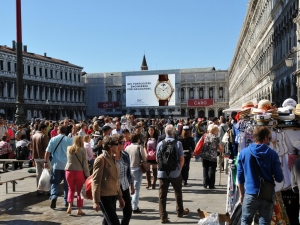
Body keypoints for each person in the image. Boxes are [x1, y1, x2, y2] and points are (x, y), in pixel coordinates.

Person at [237, 126, 284, 224]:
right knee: (265, 222)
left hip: (250, 193)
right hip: (266, 194)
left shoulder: (244, 153)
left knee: (245, 221)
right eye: (269, 138)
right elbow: (279, 178)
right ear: (266, 138)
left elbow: (240, 177)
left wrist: (241, 194)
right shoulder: (273, 154)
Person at [156, 124, 189, 223]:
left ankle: (163, 216)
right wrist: (179, 169)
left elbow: (157, 159)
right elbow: (182, 159)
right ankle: (180, 211)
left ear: (165, 133)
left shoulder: (160, 143)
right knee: (178, 192)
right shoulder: (178, 143)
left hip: (162, 173)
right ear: (173, 132)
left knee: (162, 195)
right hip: (175, 172)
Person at [92, 135, 125, 225]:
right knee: (114, 222)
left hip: (113, 195)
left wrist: (120, 197)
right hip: (104, 197)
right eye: (117, 144)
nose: (119, 146)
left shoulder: (113, 158)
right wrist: (96, 201)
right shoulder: (101, 159)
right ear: (110, 147)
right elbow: (96, 181)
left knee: (107, 222)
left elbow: (116, 180)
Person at [44, 125, 73, 209]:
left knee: (55, 183)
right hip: (67, 165)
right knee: (67, 184)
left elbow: (47, 152)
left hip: (56, 165)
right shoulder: (70, 140)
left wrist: (45, 162)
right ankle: (67, 201)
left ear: (58, 130)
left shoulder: (53, 139)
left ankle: (53, 196)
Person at [65, 136, 90, 216]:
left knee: (70, 189)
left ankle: (69, 206)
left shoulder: (69, 148)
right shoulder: (83, 150)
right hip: (79, 171)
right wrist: (87, 175)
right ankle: (79, 209)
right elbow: (85, 164)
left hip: (68, 171)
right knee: (80, 191)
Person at [114, 134, 135, 225]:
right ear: (115, 144)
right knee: (111, 214)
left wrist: (132, 185)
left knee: (128, 212)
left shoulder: (125, 155)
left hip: (125, 185)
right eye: (121, 142)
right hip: (113, 188)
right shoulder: (110, 157)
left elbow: (129, 171)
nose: (123, 144)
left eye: (124, 142)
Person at [125, 133, 147, 214]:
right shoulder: (139, 146)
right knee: (136, 189)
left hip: (129, 169)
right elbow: (144, 157)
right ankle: (135, 207)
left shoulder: (127, 147)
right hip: (137, 169)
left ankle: (131, 205)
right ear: (138, 139)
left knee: (131, 188)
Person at [31, 123, 50, 195]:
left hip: (36, 157)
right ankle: (47, 189)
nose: (46, 131)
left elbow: (32, 148)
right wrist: (47, 158)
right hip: (43, 157)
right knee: (49, 172)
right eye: (45, 129)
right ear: (42, 129)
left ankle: (39, 189)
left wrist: (33, 159)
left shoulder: (33, 136)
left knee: (38, 174)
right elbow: (46, 148)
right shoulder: (43, 136)